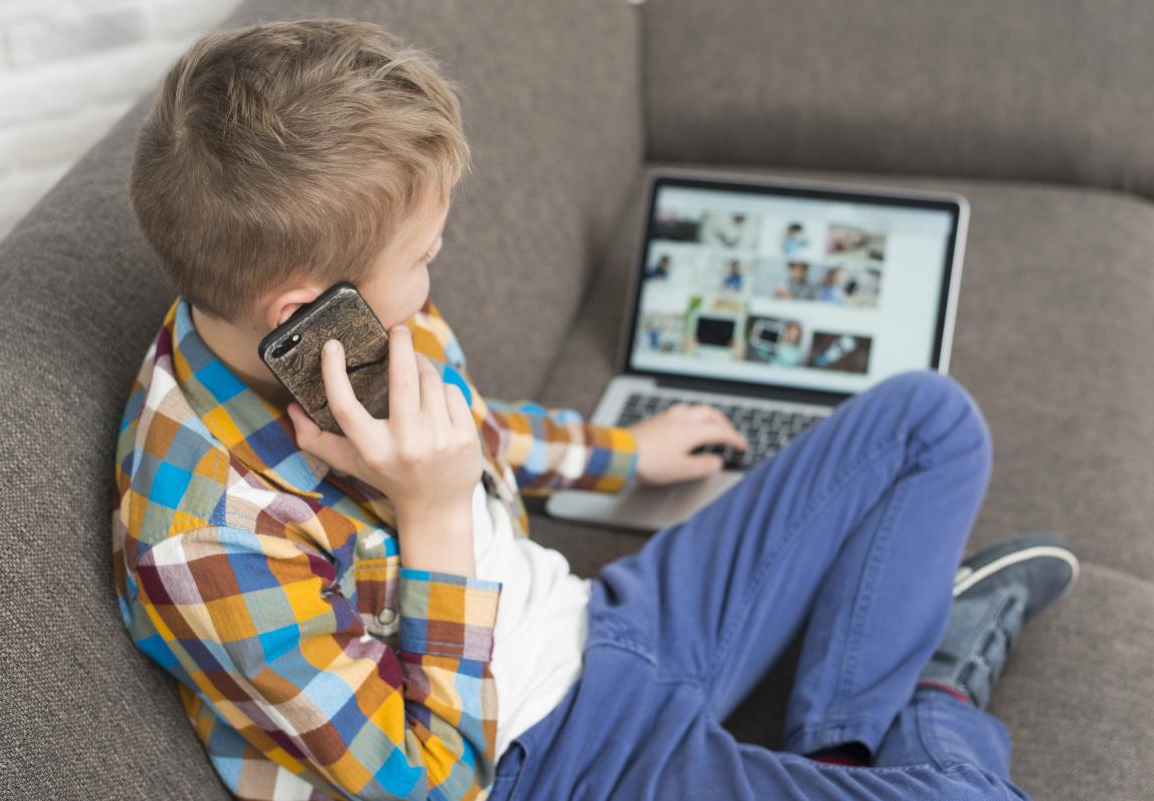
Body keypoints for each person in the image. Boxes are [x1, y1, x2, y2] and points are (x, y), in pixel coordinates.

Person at [113, 19, 1078, 801]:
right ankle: (940, 684)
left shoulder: (333, 328)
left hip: (598, 623)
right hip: (551, 757)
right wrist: (437, 512)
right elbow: (436, 781)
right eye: (425, 259)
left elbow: (465, 423)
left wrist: (623, 454)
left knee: (928, 422)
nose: (433, 277)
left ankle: (834, 755)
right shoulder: (203, 539)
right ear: (302, 309)